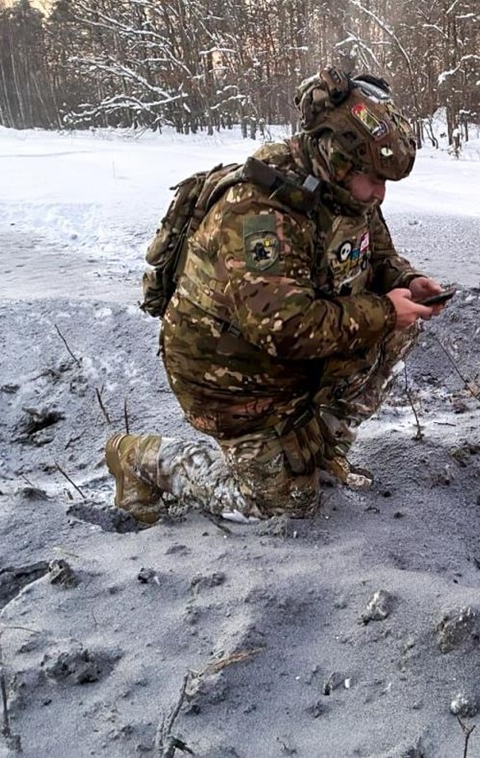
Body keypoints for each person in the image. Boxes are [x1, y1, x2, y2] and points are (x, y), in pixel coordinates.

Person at [104, 67, 447, 524]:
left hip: (290, 364)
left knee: (398, 326)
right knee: (285, 506)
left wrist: (405, 280)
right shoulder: (260, 207)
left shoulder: (346, 193)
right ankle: (139, 458)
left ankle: (318, 454)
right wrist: (384, 310)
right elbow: (282, 327)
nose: (380, 194)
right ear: (336, 157)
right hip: (230, 379)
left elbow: (374, 253)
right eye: (374, 178)